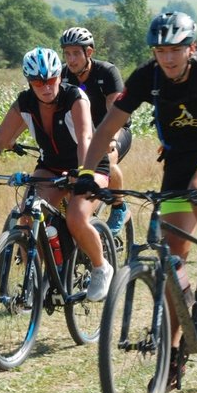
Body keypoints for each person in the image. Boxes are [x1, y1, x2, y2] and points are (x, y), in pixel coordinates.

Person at [71, 11, 197, 389]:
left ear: (191, 48)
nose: (168, 58)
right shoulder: (146, 76)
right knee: (172, 261)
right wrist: (87, 173)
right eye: (160, 50)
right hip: (178, 159)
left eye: (175, 50)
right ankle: (174, 353)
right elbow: (107, 127)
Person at [0, 47, 114, 301]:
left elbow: (85, 138)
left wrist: (83, 173)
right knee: (27, 216)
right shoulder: (24, 103)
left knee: (76, 218)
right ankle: (33, 283)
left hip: (90, 165)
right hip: (51, 166)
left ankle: (101, 266)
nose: (46, 87)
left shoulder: (75, 98)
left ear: (59, 76)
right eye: (38, 82)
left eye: (50, 79)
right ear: (29, 82)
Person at [60, 26, 132, 236]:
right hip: (84, 133)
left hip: (115, 129)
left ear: (89, 52)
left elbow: (115, 112)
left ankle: (119, 207)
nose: (71, 59)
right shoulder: (63, 75)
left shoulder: (107, 72)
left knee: (107, 159)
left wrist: (110, 140)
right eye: (67, 54)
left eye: (76, 53)